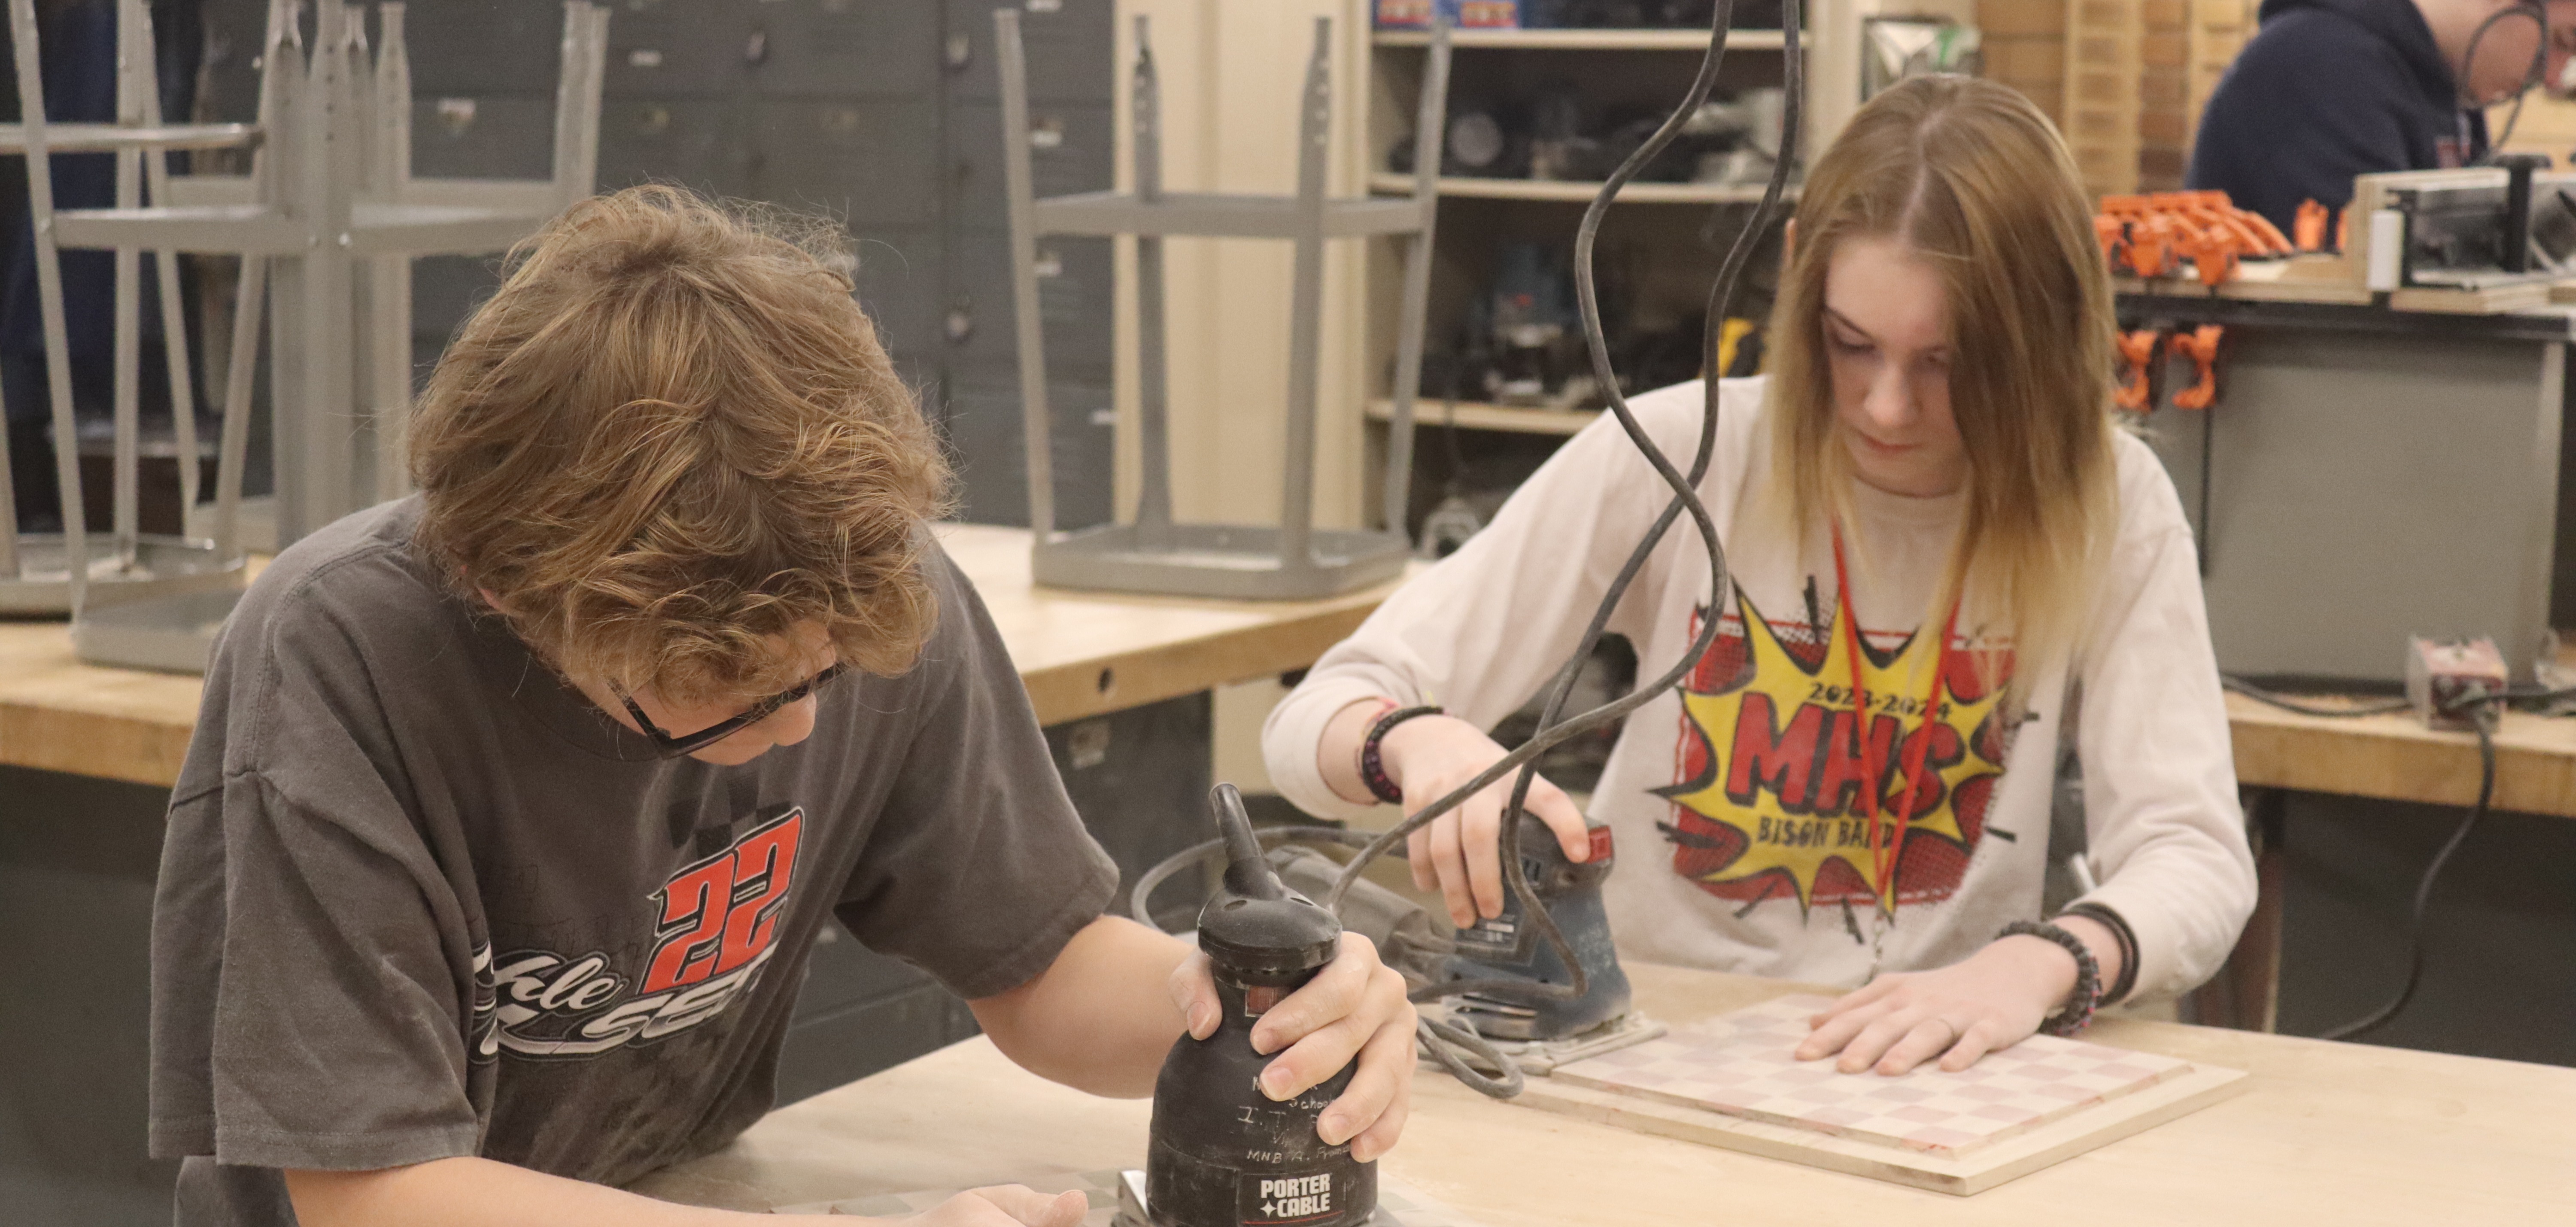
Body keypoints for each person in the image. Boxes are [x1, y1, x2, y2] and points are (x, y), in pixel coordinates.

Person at [149, 187, 1417, 1227]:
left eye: (823, 675)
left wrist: (1243, 1015)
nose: (800, 730)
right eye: (711, 702)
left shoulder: (849, 583)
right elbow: (371, 1192)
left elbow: (1039, 966)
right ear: (500, 588)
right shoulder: (344, 658)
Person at [1264, 76, 2256, 1078]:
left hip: (1933, 1062)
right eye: (1848, 344)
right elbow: (1313, 723)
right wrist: (1415, 741)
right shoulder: (1679, 450)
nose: (1885, 407)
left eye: (1951, 364)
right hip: (1653, 1040)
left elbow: (2197, 858)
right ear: (1798, 280)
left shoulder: (2109, 500)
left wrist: (2042, 963)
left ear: (2042, 339)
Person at [2189, 0, 2576, 235]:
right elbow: (2352, 303)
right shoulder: (2323, 64)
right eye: (2563, 41)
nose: (2554, 77)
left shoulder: (2448, 89)